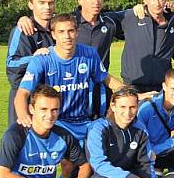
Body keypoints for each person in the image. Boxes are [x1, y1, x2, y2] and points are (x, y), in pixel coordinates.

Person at [14, 14, 131, 144]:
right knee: (68, 163)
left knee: (99, 155)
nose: (67, 36)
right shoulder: (42, 59)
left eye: (71, 31)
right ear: (53, 35)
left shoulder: (89, 53)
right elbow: (22, 92)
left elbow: (107, 79)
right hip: (56, 122)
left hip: (84, 122)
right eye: (61, 32)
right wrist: (22, 114)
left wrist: (133, 94)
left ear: (77, 32)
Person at [6, 0, 55, 125]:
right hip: (25, 95)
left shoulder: (58, 28)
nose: (47, 7)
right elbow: (11, 64)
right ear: (31, 5)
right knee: (24, 141)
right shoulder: (22, 30)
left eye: (50, 3)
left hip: (50, 97)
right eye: (41, 3)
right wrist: (34, 58)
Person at [121, 0, 174, 93]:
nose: (157, 3)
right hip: (133, 85)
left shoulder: (173, 21)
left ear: (165, 0)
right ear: (144, 0)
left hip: (161, 86)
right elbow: (105, 18)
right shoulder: (132, 17)